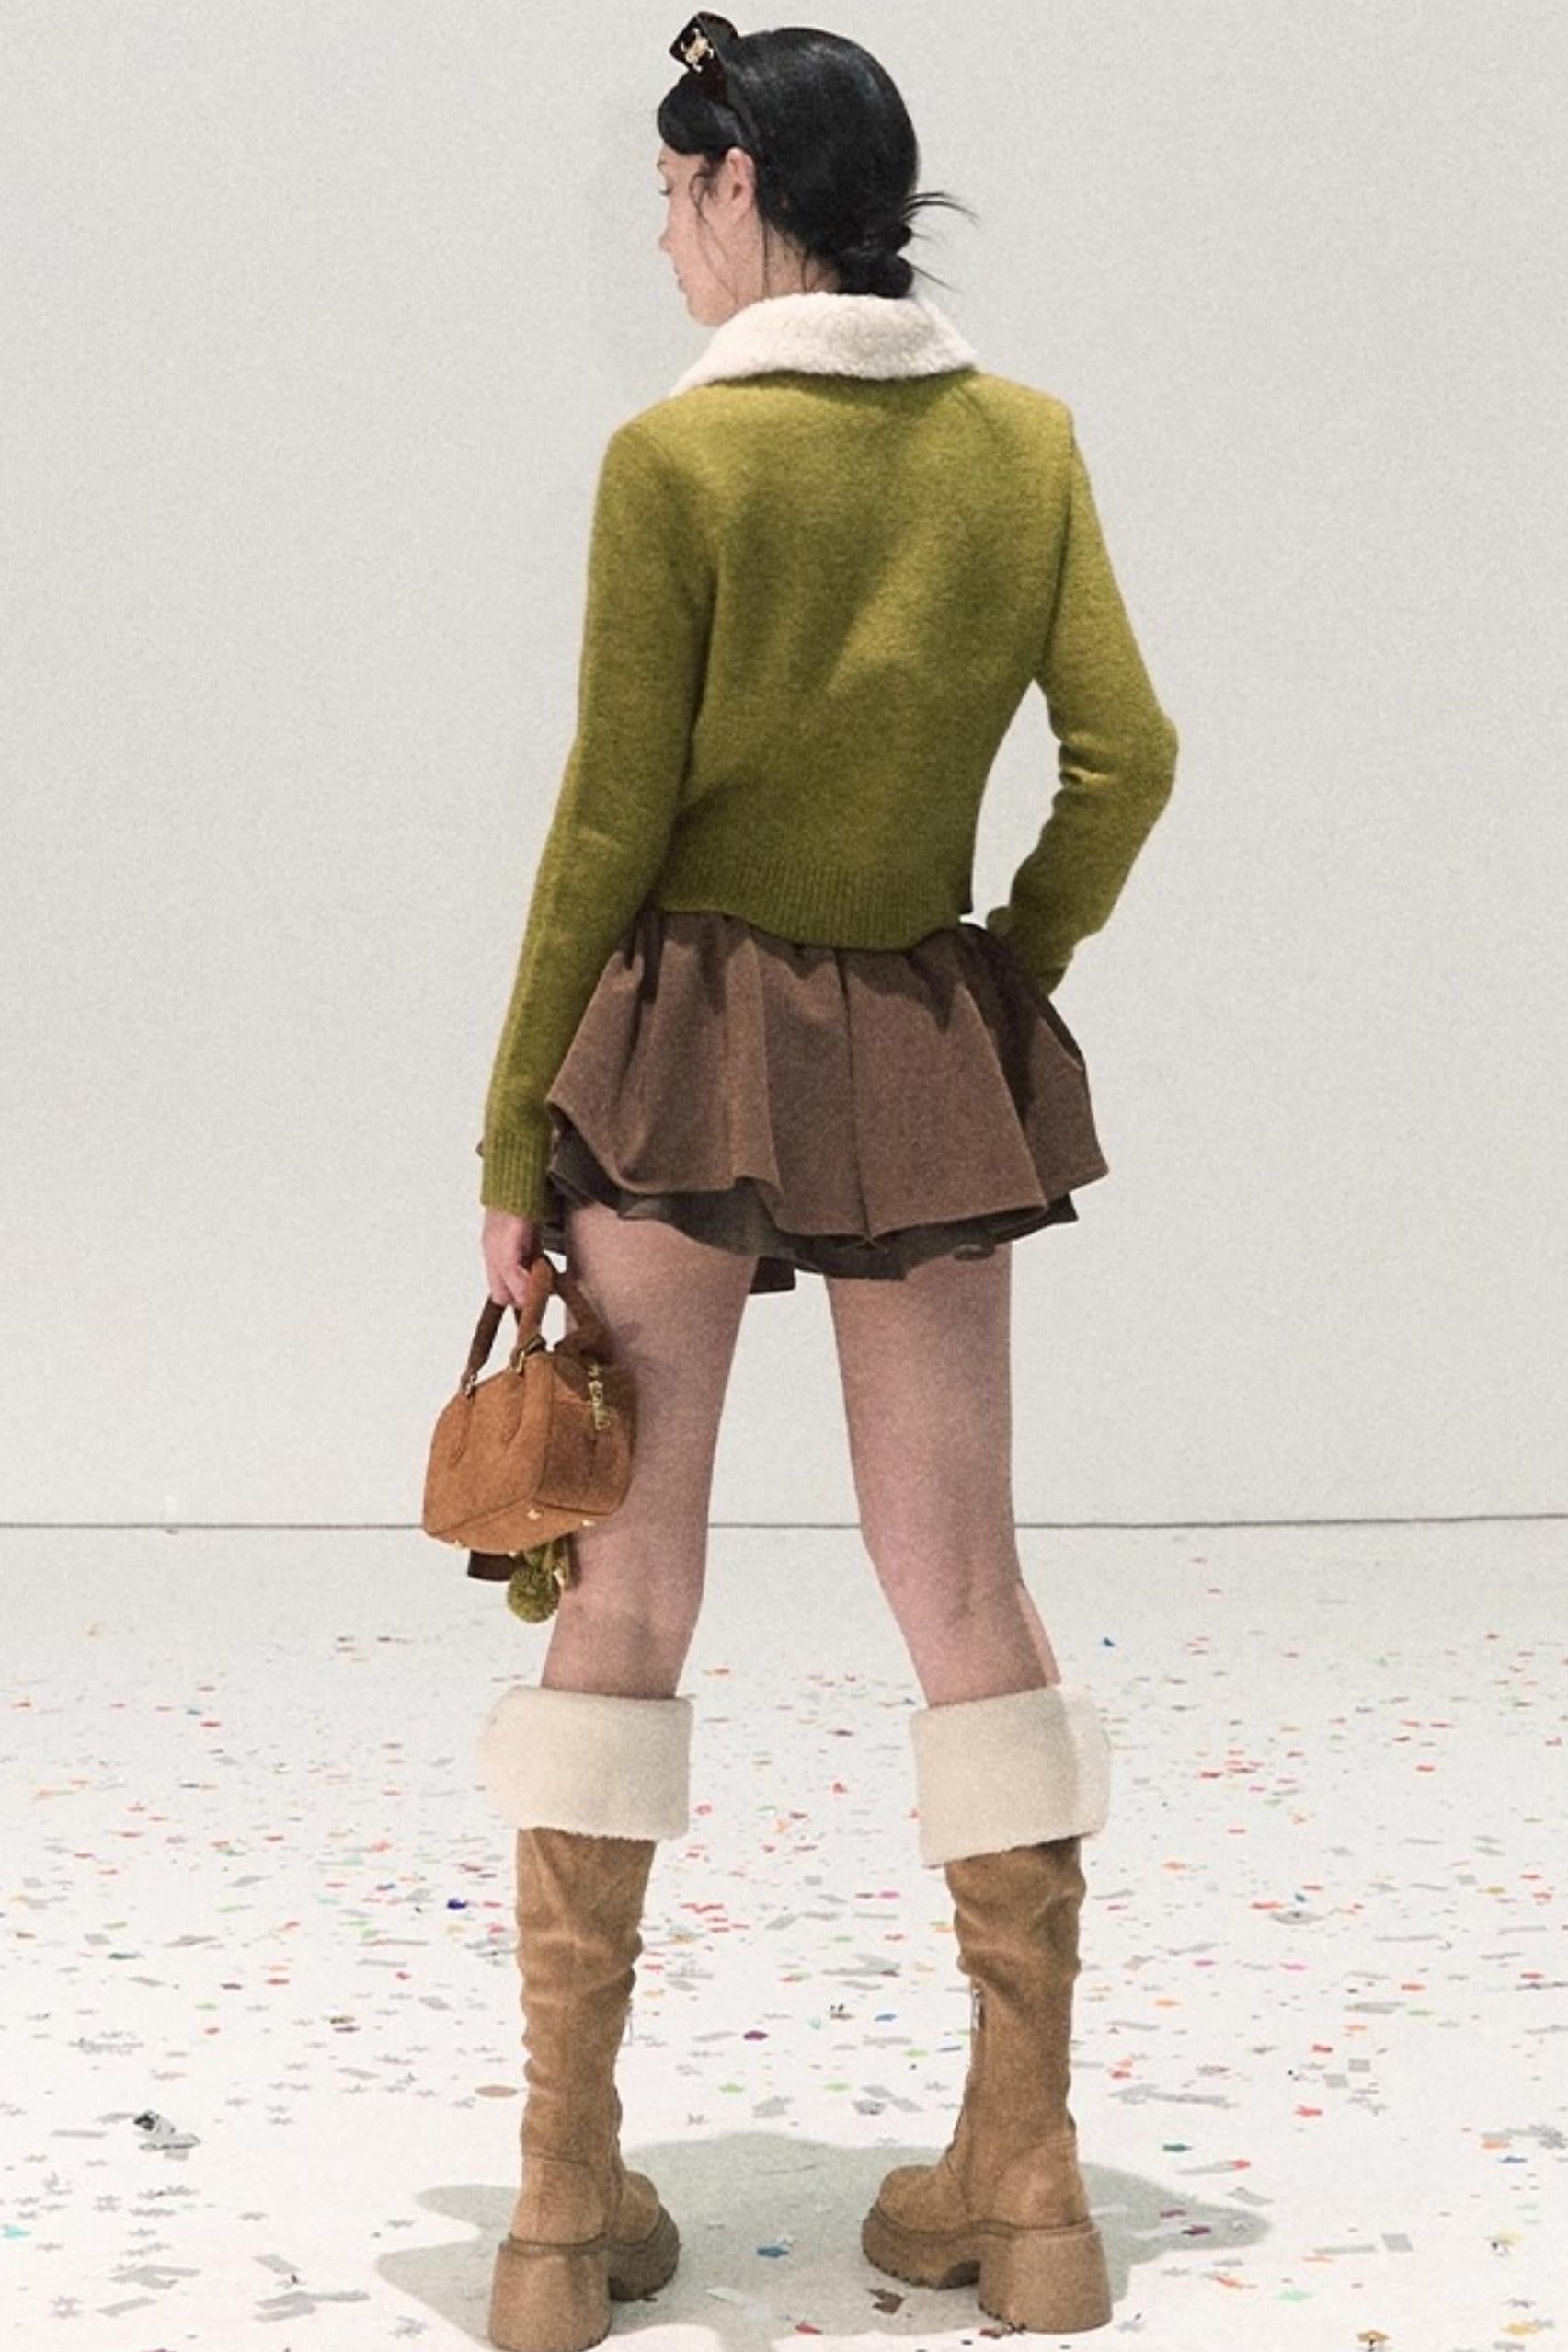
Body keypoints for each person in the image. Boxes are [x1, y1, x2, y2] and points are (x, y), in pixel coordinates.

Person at [472, 17, 1178, 2348]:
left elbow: (608, 816)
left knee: (624, 1587)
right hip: (915, 1034)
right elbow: (1129, 752)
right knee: (961, 1579)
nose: (661, 240)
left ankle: (558, 2207)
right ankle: (1030, 2183)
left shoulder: (678, 459)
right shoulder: (1022, 445)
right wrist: (1007, 966)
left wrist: (510, 1128)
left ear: (739, 188)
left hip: (678, 1043)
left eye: (670, 195)